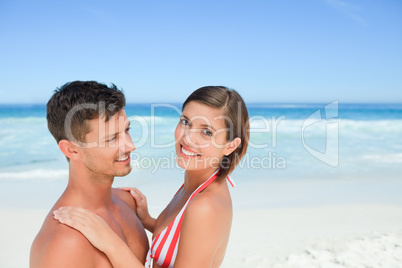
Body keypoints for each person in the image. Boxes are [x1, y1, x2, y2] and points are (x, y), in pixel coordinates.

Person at [53, 86, 250, 268]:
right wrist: (148, 220)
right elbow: (188, 240)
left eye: (207, 132)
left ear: (230, 146)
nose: (188, 137)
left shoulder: (205, 206)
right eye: (185, 122)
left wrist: (110, 242)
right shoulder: (196, 183)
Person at [30, 81, 149, 268]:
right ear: (72, 150)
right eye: (112, 138)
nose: (130, 146)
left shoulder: (128, 202)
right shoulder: (66, 242)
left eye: (127, 130)